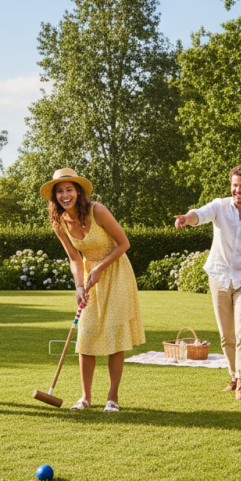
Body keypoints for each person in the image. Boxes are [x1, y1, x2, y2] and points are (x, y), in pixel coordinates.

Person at [42, 168, 145, 412]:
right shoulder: (59, 222)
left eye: (69, 190)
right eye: (59, 191)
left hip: (116, 272)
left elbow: (124, 243)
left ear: (78, 191)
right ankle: (85, 398)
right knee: (86, 335)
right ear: (55, 196)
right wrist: (79, 286)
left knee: (113, 336)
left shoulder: (97, 210)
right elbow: (74, 259)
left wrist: (100, 269)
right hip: (89, 277)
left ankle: (112, 398)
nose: (65, 195)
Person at [175, 166, 241, 400]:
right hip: (218, 276)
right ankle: (233, 375)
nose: (237, 190)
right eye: (235, 185)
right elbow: (200, 214)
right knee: (226, 335)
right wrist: (187, 219)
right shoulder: (219, 206)